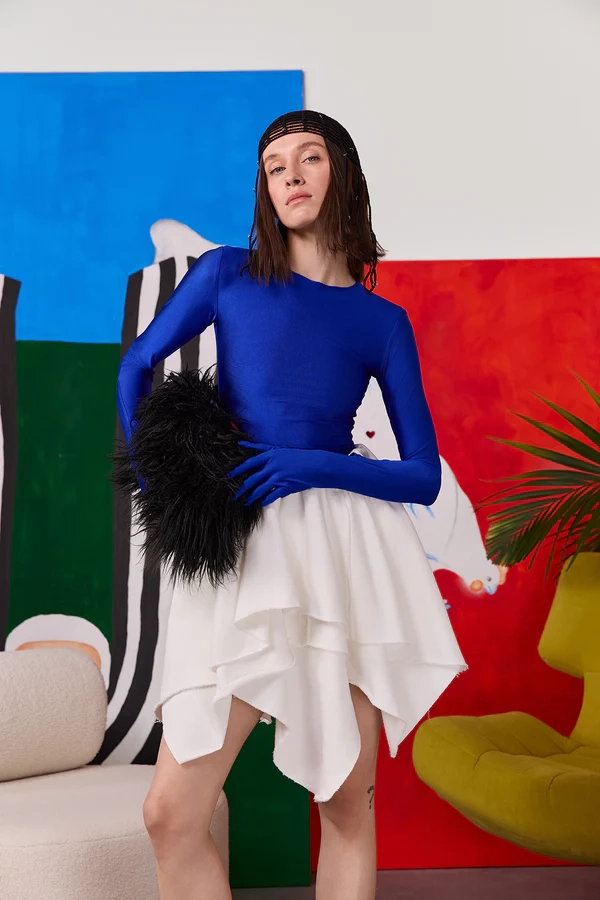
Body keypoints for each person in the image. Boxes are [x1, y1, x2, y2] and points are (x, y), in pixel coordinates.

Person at [116, 109, 467, 900]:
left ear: (343, 174)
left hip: (344, 553)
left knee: (346, 808)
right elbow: (136, 364)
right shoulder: (226, 274)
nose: (292, 176)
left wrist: (312, 464)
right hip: (240, 542)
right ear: (265, 191)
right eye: (275, 167)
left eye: (309, 158)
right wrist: (164, 487)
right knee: (171, 815)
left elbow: (423, 476)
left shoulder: (383, 323)